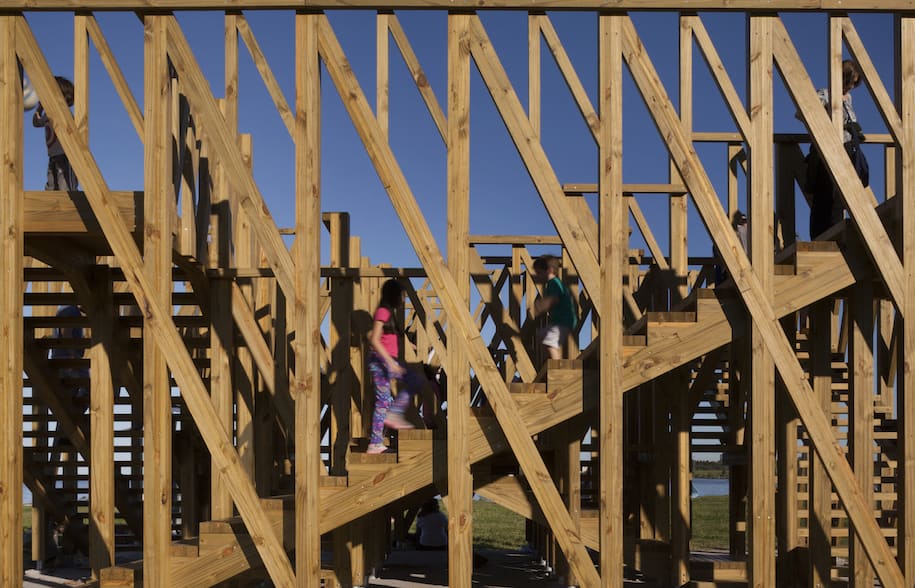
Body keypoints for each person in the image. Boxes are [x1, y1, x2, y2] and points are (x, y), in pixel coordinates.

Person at [804, 60, 867, 239]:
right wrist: (826, 126)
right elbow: (802, 113)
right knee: (824, 196)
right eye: (850, 82)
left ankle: (837, 238)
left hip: (847, 152)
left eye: (855, 83)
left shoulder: (849, 98)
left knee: (840, 198)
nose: (851, 87)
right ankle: (821, 237)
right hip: (828, 151)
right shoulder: (825, 94)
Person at [367, 279, 426, 454]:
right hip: (380, 362)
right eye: (402, 295)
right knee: (383, 401)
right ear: (394, 296)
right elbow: (374, 339)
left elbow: (391, 340)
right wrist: (391, 363)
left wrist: (417, 348)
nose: (403, 298)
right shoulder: (383, 312)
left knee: (415, 380)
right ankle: (375, 443)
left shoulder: (389, 314)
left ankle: (394, 413)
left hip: (388, 361)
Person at [32, 76, 79, 191]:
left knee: (66, 187)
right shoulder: (48, 115)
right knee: (51, 186)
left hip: (65, 156)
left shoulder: (64, 114)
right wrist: (40, 108)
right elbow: (36, 123)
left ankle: (72, 205)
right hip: (53, 156)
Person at [532, 254, 578, 361]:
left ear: (549, 270)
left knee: (549, 343)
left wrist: (541, 305)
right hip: (559, 322)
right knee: (541, 335)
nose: (537, 276)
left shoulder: (554, 283)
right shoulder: (552, 284)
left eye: (539, 272)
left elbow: (554, 299)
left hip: (564, 321)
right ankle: (550, 360)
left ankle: (557, 365)